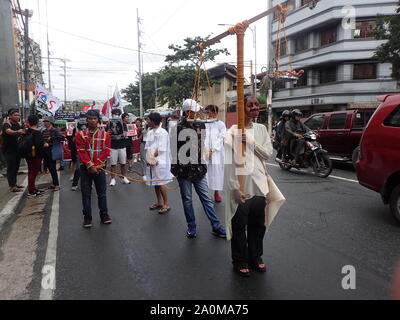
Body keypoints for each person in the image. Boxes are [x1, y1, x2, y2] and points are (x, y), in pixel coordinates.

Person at [224, 96, 281, 277]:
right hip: (241, 188)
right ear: (242, 109)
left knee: (258, 225)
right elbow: (228, 163)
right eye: (251, 105)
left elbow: (267, 154)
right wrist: (234, 188)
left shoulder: (261, 129)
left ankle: (255, 256)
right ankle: (239, 260)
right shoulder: (232, 132)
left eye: (257, 104)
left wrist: (249, 142)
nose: (255, 107)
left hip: (260, 186)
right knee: (239, 227)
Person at [171, 99, 226, 239]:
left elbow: (205, 143)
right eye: (196, 111)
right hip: (183, 172)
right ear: (188, 112)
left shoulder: (200, 125)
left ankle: (216, 226)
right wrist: (174, 171)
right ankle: (192, 227)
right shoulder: (176, 128)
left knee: (206, 199)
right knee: (187, 200)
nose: (199, 114)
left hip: (199, 170)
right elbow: (173, 152)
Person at [75, 110, 112, 228]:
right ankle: (87, 217)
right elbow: (81, 151)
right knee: (86, 194)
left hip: (100, 168)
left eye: (95, 118)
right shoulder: (80, 134)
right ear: (86, 120)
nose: (92, 121)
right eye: (90, 118)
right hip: (85, 168)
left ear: (98, 120)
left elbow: (106, 151)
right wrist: (90, 165)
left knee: (102, 193)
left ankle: (104, 214)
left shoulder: (105, 135)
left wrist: (97, 165)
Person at [145, 112, 174, 214]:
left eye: (148, 120)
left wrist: (152, 158)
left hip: (161, 162)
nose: (147, 121)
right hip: (152, 160)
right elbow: (147, 147)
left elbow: (161, 149)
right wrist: (148, 159)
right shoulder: (150, 132)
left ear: (153, 121)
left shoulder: (163, 133)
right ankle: (159, 202)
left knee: (161, 183)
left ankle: (166, 204)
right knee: (155, 183)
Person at [204, 105, 226, 204]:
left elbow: (221, 139)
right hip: (205, 152)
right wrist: (205, 150)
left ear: (215, 113)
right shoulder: (204, 124)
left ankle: (216, 193)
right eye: (206, 112)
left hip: (217, 152)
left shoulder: (221, 125)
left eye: (208, 112)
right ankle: (205, 194)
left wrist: (212, 151)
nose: (207, 115)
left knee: (217, 173)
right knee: (204, 173)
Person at [25, 115, 49, 197]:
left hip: (28, 154)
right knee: (33, 173)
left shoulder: (27, 131)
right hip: (36, 155)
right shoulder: (37, 132)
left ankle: (33, 188)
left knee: (31, 171)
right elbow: (40, 144)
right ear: (37, 122)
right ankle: (31, 191)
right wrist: (45, 144)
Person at [2, 108, 24, 192]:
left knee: (16, 167)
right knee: (11, 168)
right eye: (15, 115)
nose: (17, 116)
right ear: (10, 116)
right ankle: (12, 186)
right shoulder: (6, 124)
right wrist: (17, 132)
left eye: (18, 115)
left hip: (17, 150)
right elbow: (8, 131)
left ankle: (14, 183)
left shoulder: (18, 124)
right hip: (8, 150)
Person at [107, 109, 130, 186]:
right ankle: (113, 179)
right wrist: (108, 133)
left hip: (122, 146)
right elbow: (106, 134)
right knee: (113, 164)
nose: (116, 115)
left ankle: (124, 177)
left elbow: (126, 133)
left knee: (123, 163)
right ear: (112, 114)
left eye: (117, 114)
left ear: (120, 115)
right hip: (113, 147)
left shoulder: (123, 124)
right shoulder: (109, 124)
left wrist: (124, 133)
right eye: (114, 114)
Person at [42, 117, 62, 191]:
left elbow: (60, 137)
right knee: (50, 168)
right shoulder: (43, 131)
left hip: (52, 150)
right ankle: (54, 183)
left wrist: (51, 138)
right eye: (44, 122)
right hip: (45, 151)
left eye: (46, 121)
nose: (45, 123)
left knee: (52, 168)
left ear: (50, 122)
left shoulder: (54, 130)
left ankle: (56, 184)